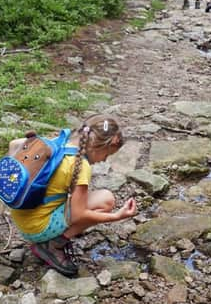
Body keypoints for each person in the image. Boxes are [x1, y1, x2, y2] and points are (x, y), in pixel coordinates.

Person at [9, 114, 137, 277]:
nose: (104, 160)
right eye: (107, 155)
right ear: (103, 146)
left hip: (21, 218)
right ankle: (53, 245)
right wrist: (116, 216)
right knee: (106, 200)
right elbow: (78, 214)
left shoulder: (57, 141)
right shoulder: (80, 164)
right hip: (37, 228)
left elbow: (14, 144)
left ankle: (51, 232)